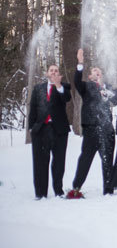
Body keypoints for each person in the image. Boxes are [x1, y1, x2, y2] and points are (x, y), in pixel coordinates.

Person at [67, 49, 115, 198]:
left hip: (106, 129)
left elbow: (116, 99)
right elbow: (76, 81)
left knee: (107, 160)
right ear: (89, 76)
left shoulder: (108, 88)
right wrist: (80, 63)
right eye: (94, 71)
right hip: (91, 129)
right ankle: (76, 187)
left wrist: (106, 90)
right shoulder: (86, 87)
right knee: (85, 159)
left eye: (99, 71)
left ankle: (108, 190)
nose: (97, 72)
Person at [28, 64, 72, 199]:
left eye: (56, 70)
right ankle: (40, 193)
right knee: (40, 162)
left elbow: (67, 99)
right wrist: (31, 127)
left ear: (59, 74)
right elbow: (33, 108)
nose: (53, 72)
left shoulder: (64, 87)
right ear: (47, 73)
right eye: (51, 71)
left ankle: (58, 191)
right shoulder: (38, 88)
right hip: (41, 129)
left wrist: (58, 85)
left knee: (59, 162)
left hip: (59, 130)